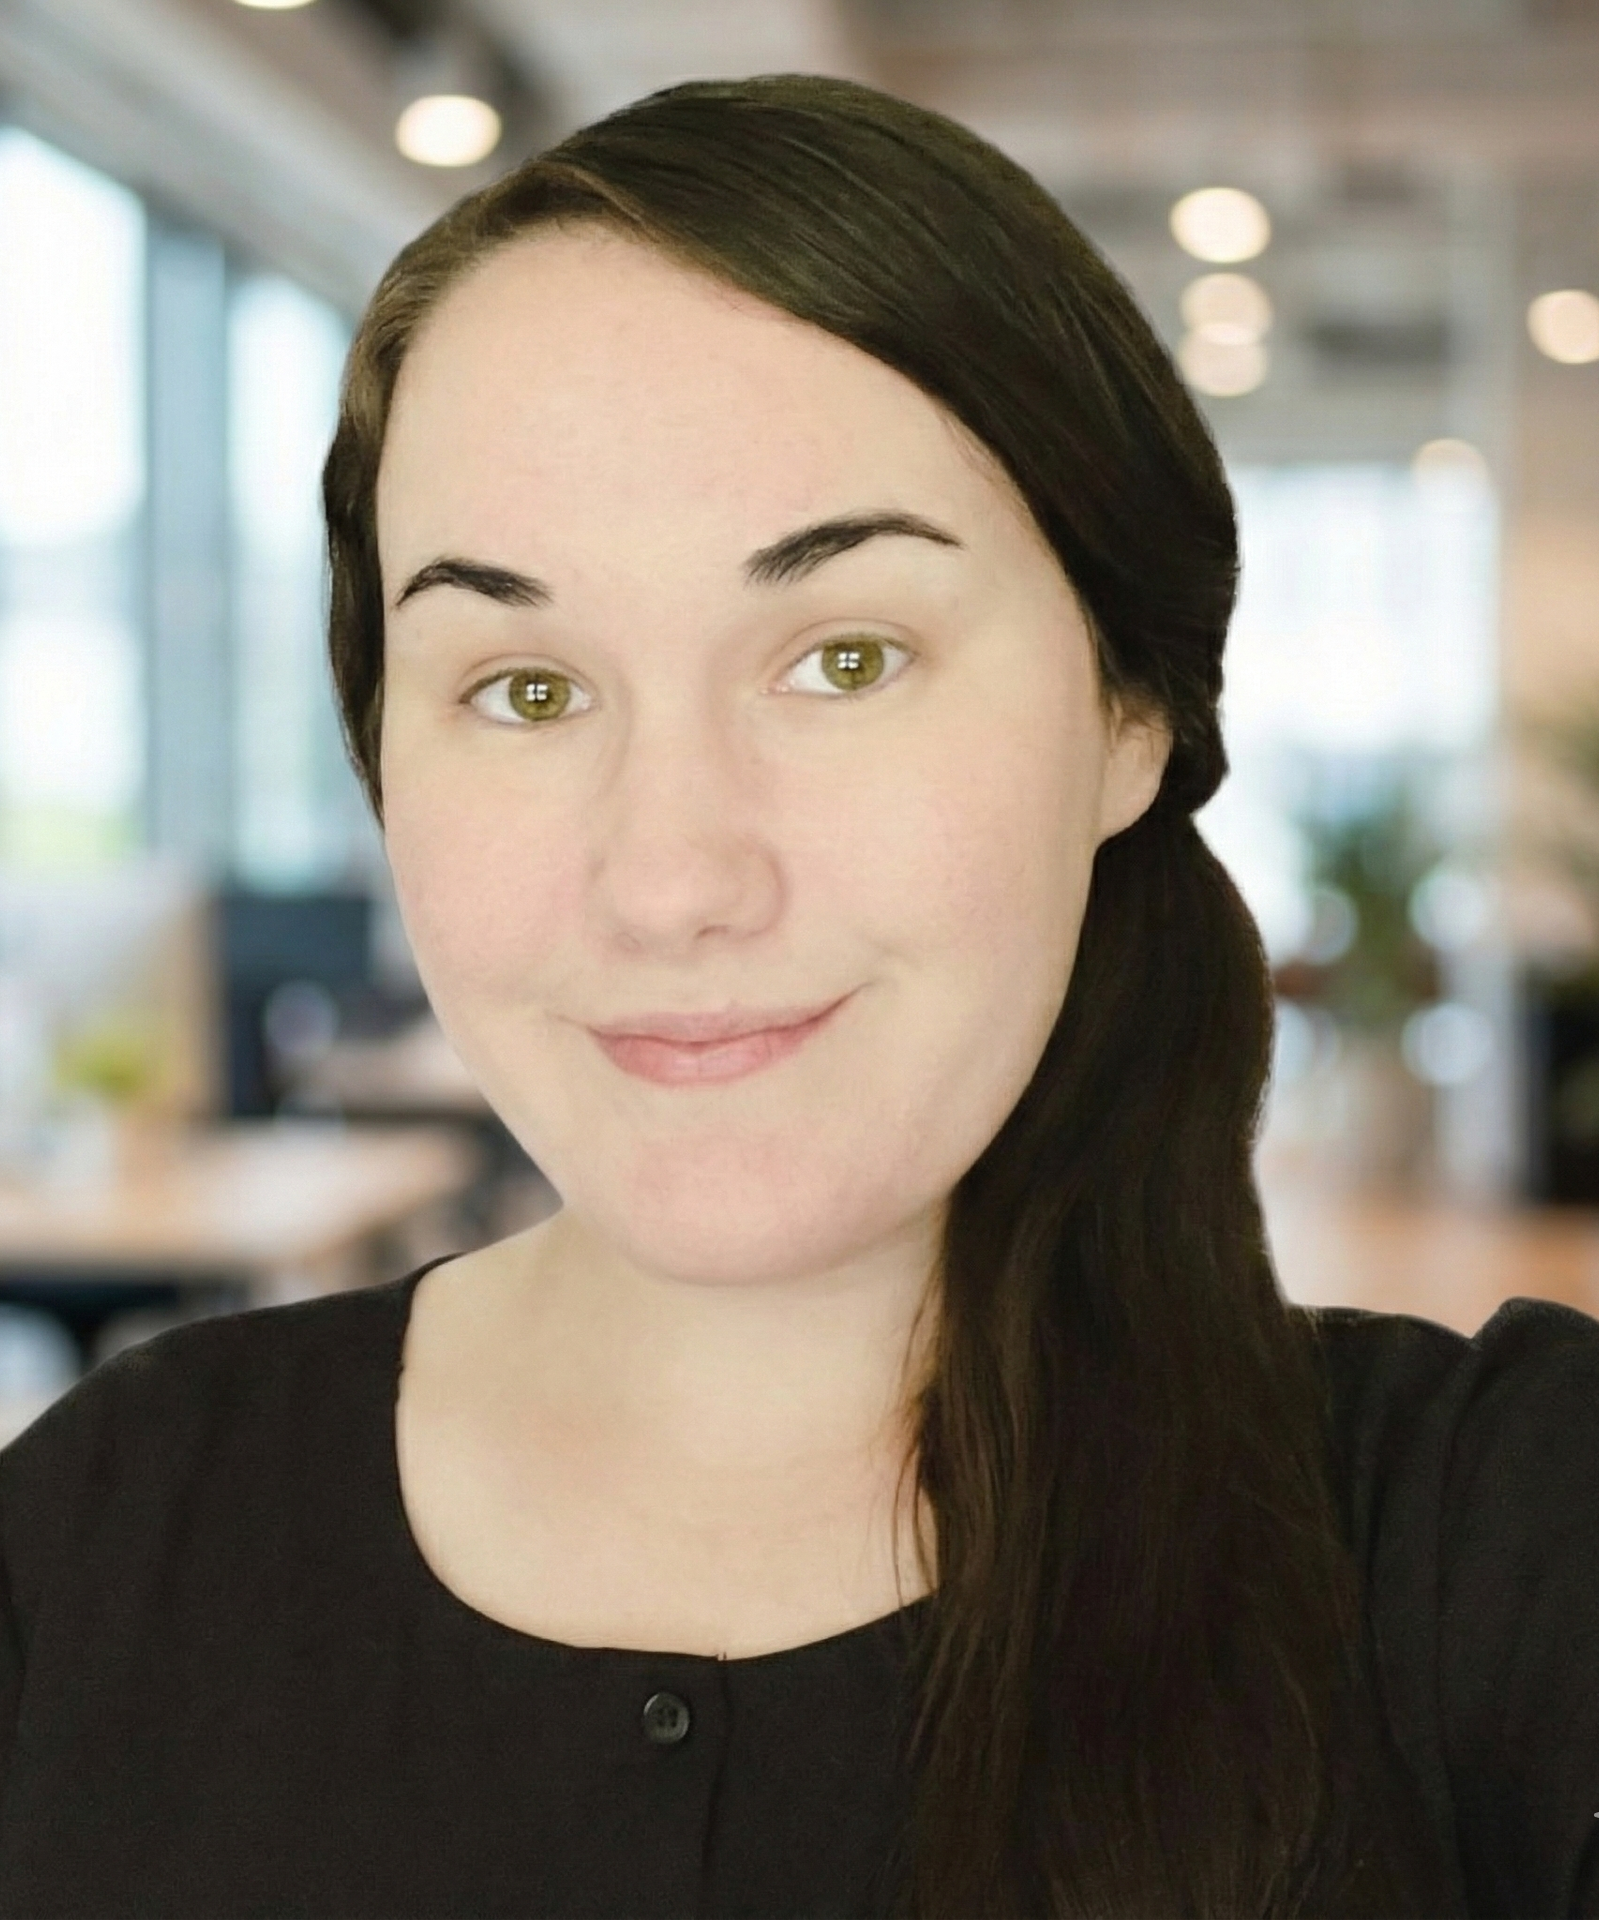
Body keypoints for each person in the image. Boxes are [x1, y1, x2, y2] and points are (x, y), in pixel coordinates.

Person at [1, 70, 1598, 1920]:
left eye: (843, 657)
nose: (672, 877)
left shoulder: (1503, 1549)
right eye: (523, 689)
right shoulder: (105, 1540)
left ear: (1126, 713)